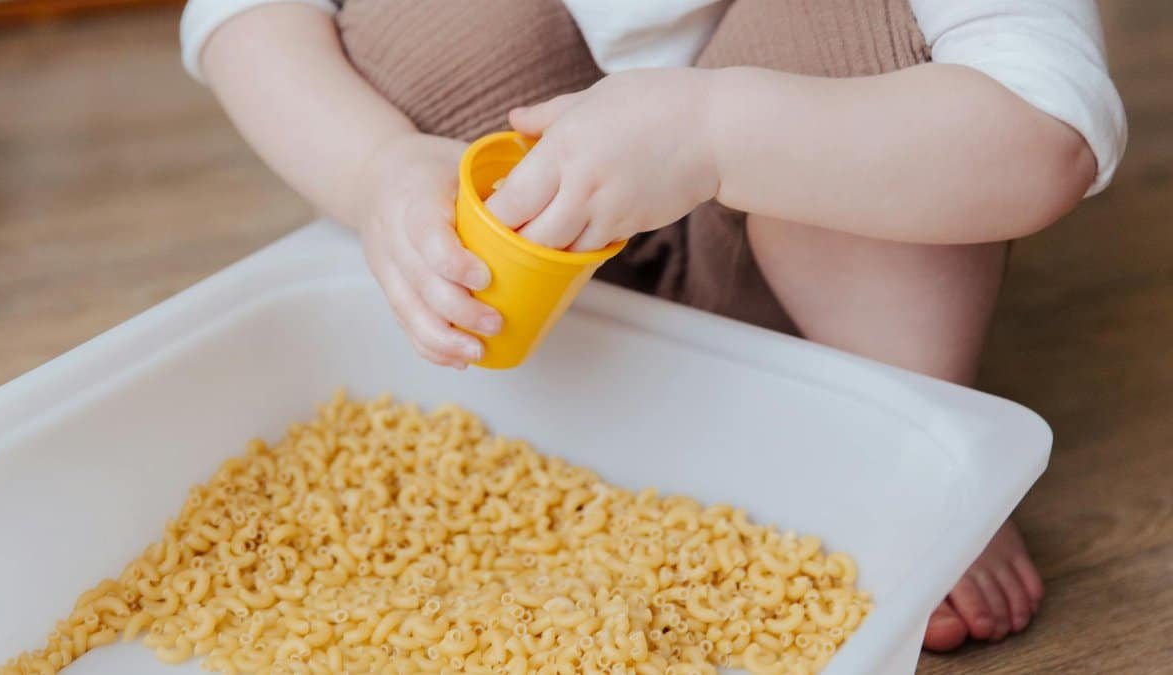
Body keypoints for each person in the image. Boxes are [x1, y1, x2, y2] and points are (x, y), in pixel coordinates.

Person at [181, 0, 1126, 653]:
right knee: (425, 29)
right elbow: (245, 19)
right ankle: (601, 366)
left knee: (877, 39)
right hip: (554, 267)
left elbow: (1046, 133)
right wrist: (377, 167)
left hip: (809, 263)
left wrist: (717, 134)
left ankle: (903, 428)